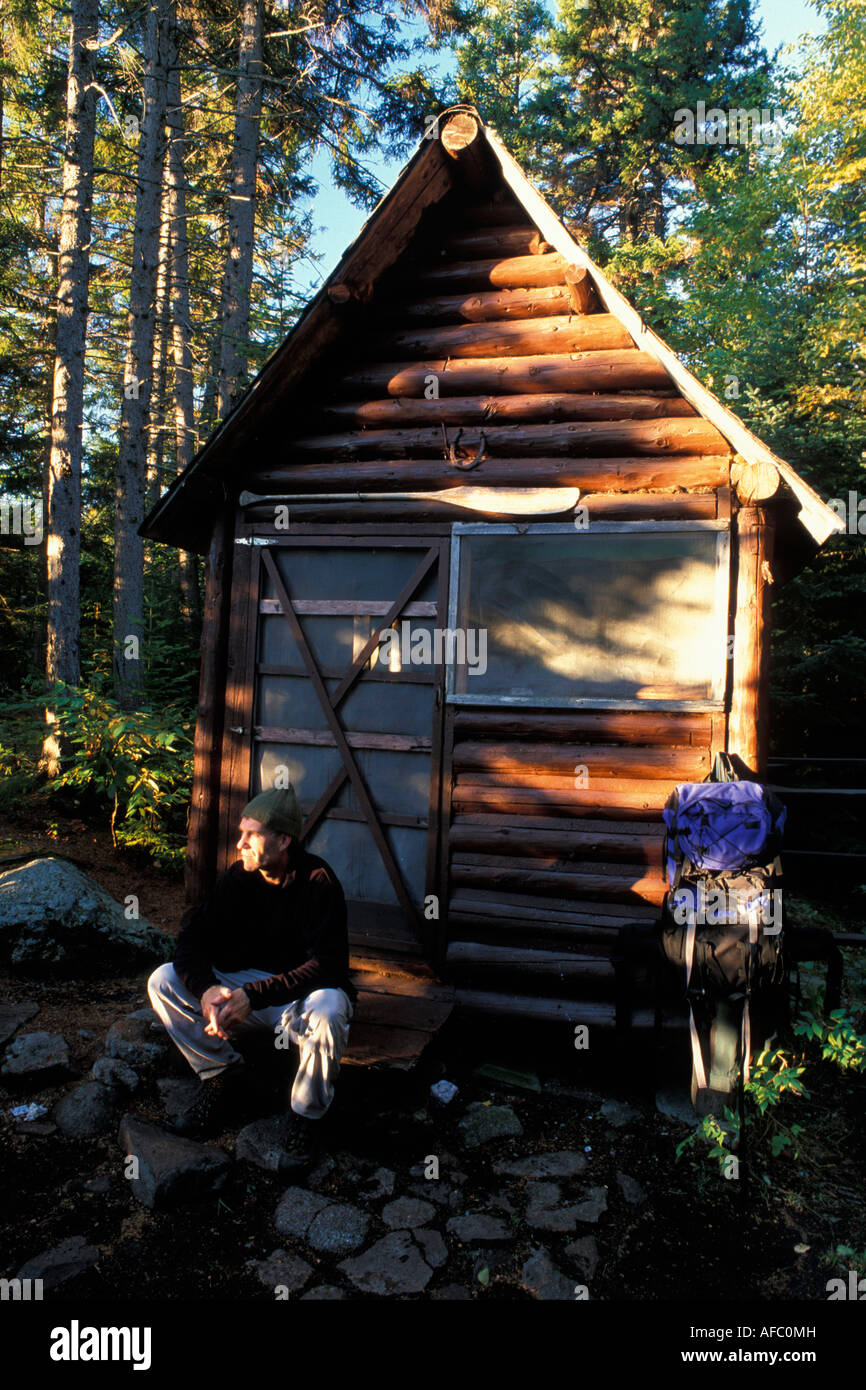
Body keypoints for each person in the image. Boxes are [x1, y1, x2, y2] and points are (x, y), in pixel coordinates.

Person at [147, 785, 356, 1162]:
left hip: (297, 999)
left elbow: (328, 965)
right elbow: (191, 939)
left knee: (330, 1008)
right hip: (246, 993)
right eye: (241, 832)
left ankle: (306, 1116)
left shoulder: (318, 882)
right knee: (164, 980)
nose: (239, 842)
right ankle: (221, 1075)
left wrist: (252, 996)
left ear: (283, 840)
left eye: (251, 834)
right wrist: (208, 989)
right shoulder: (238, 879)